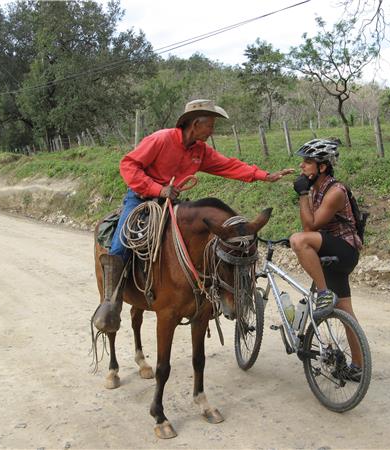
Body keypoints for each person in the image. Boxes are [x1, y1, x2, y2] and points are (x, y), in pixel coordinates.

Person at [94, 99, 294, 333]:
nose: (212, 131)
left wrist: (264, 175)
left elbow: (228, 166)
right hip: (141, 198)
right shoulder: (161, 139)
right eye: (210, 125)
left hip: (172, 202)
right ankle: (111, 302)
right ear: (195, 124)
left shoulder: (200, 150)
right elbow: (128, 165)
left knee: (199, 242)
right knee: (120, 244)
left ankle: (199, 293)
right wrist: (157, 189)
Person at [289, 138, 363, 381]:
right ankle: (359, 367)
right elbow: (309, 225)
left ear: (322, 167)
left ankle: (323, 294)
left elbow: (310, 227)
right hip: (331, 251)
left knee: (299, 240)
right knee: (345, 311)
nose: (302, 166)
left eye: (308, 162)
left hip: (345, 250)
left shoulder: (335, 191)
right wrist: (307, 193)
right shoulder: (317, 189)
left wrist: (302, 194)